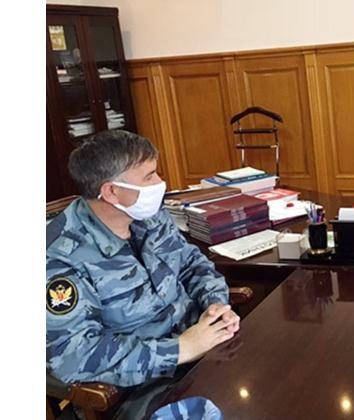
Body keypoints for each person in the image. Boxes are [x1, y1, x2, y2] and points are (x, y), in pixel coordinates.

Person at [46, 130, 240, 418]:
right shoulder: (58, 257)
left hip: (203, 350)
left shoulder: (149, 216)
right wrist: (180, 349)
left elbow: (191, 263)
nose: (160, 183)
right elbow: (75, 355)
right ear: (111, 191)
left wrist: (215, 305)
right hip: (137, 388)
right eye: (149, 176)